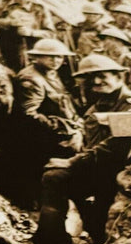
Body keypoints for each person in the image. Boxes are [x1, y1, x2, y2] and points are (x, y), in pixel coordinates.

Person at [30, 54, 131, 244]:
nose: (96, 81)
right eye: (90, 78)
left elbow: (116, 148)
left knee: (99, 216)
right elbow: (94, 143)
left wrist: (73, 162)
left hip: (125, 172)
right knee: (53, 177)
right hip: (102, 168)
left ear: (118, 77)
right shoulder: (102, 103)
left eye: (102, 76)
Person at [10, 38, 83, 202]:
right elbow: (28, 114)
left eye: (59, 57)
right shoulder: (31, 79)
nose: (56, 61)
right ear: (37, 57)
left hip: (55, 131)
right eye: (50, 57)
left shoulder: (52, 74)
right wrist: (61, 128)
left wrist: (75, 123)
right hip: (40, 136)